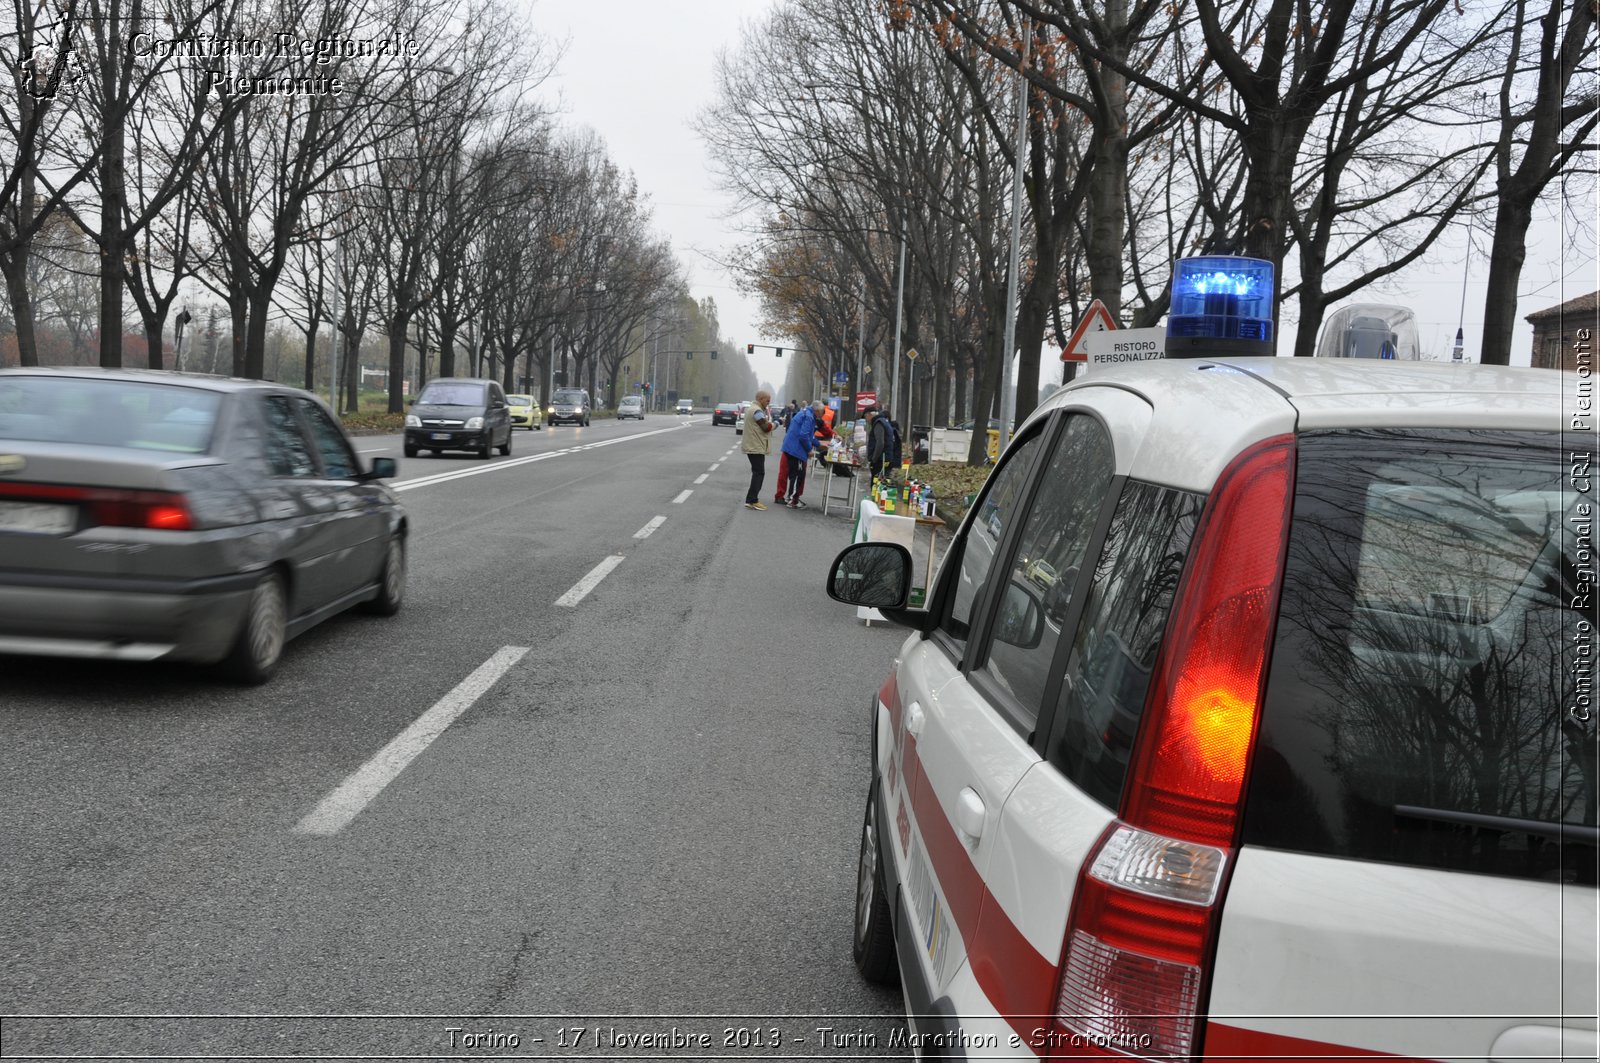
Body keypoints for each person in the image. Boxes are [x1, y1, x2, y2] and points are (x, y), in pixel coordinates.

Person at [781, 400, 828, 509]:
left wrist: (819, 444)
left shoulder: (805, 412)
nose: (822, 415)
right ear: (818, 410)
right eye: (822, 412)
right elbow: (804, 436)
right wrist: (809, 450)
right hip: (796, 449)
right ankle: (793, 500)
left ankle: (791, 497)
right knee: (798, 475)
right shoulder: (809, 417)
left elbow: (809, 435)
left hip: (790, 447)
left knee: (794, 475)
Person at [742, 389, 776, 510]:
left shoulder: (752, 408)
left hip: (753, 445)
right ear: (761, 399)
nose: (768, 403)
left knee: (757, 472)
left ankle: (751, 499)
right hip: (755, 446)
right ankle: (752, 500)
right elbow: (766, 427)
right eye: (767, 400)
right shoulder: (757, 411)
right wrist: (776, 424)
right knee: (759, 473)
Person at [865, 408, 900, 479]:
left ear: (870, 415)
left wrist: (874, 459)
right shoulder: (883, 422)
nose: (866, 420)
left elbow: (880, 443)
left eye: (866, 417)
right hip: (885, 458)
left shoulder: (878, 424)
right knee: (882, 481)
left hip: (880, 460)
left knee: (876, 482)